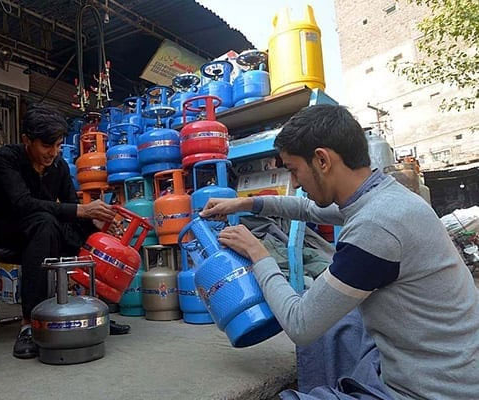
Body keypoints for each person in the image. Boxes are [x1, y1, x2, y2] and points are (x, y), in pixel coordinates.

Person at [201, 105, 479, 399]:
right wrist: (244, 205)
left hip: (437, 390)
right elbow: (309, 208)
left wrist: (257, 253)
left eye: (294, 171)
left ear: (322, 160)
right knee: (341, 320)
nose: (294, 183)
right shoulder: (385, 196)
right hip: (444, 361)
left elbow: (300, 324)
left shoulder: (376, 227)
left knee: (319, 324)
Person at [0, 104, 131, 360]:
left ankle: (92, 313)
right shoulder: (6, 159)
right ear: (27, 140)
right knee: (46, 222)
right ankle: (31, 324)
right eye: (46, 146)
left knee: (84, 229)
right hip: (5, 229)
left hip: (43, 230)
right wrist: (82, 211)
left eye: (58, 146)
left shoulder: (59, 166)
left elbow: (71, 205)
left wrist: (96, 222)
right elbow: (22, 204)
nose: (53, 153)